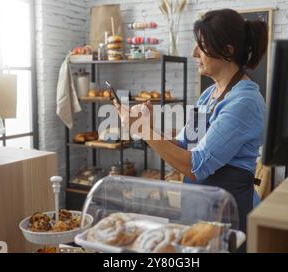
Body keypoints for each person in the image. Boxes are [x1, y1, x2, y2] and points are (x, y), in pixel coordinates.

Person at [114, 8, 268, 234]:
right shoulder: (210, 94)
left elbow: (195, 165)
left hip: (228, 216)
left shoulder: (245, 102)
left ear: (227, 50)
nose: (195, 53)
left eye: (201, 46)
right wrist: (148, 126)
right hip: (198, 208)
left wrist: (143, 130)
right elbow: (186, 146)